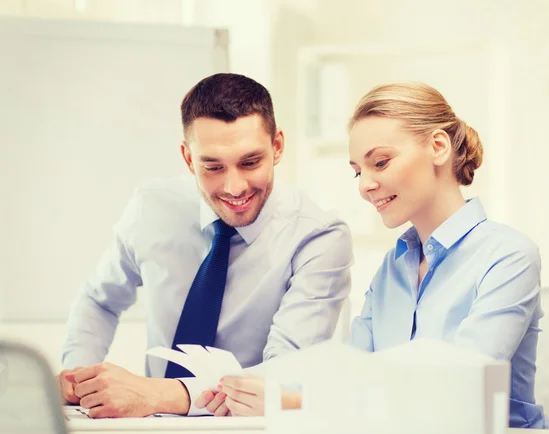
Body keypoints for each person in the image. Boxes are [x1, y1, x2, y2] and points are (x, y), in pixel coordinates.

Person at [212, 82, 549, 429]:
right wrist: (246, 389)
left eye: (380, 162)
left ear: (438, 147)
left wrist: (301, 402)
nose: (365, 185)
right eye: (358, 171)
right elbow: (349, 372)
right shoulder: (392, 269)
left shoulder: (508, 256)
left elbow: (459, 394)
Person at [57, 73, 353, 418]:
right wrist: (80, 378)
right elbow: (99, 300)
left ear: (277, 147)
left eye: (250, 162)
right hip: (152, 426)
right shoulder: (152, 208)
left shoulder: (319, 237)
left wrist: (161, 394)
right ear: (187, 159)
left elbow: (283, 376)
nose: (234, 187)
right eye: (212, 166)